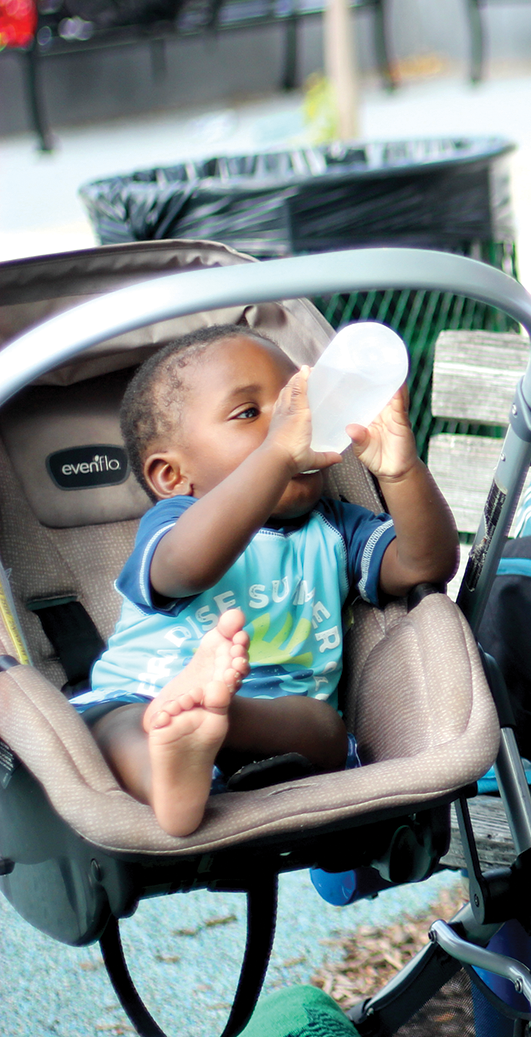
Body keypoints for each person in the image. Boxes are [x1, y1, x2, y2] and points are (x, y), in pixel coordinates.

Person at [69, 324, 458, 837]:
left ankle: (214, 721)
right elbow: (188, 570)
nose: (289, 425)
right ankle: (171, 778)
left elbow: (425, 565)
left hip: (272, 723)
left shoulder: (336, 527)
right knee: (114, 728)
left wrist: (400, 473)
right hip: (150, 697)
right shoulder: (178, 524)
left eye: (297, 405)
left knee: (325, 729)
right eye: (250, 413)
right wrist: (275, 456)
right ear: (172, 475)